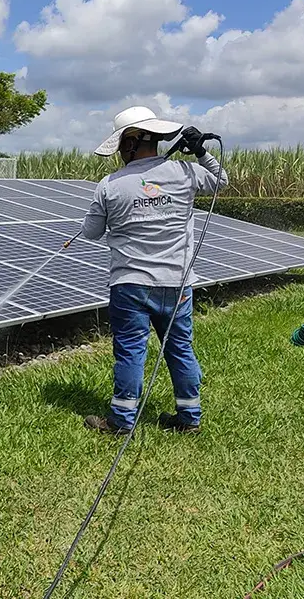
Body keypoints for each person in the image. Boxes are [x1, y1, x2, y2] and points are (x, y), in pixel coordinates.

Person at [78, 106, 228, 436]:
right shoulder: (185, 173)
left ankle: (121, 421)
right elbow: (221, 181)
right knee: (180, 348)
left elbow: (90, 233)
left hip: (130, 284)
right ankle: (189, 419)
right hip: (178, 283)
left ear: (130, 142)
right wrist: (201, 152)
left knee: (130, 351)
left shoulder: (110, 185)